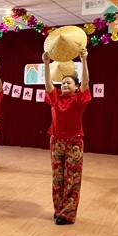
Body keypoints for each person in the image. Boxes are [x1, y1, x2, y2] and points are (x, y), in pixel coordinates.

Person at [42, 49, 91, 225]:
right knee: (58, 178)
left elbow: (86, 82)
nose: (64, 85)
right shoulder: (55, 98)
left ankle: (68, 214)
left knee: (72, 178)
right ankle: (59, 209)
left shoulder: (78, 99)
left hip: (74, 142)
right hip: (56, 141)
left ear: (76, 87)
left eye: (68, 82)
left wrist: (84, 61)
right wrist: (46, 63)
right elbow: (48, 84)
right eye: (63, 83)